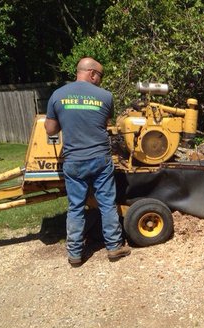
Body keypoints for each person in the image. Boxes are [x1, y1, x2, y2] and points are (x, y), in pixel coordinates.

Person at [45, 57, 131, 266]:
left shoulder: (58, 95)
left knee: (75, 207)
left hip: (74, 160)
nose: (100, 80)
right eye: (100, 76)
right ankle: (113, 248)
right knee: (107, 204)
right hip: (100, 159)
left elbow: (50, 129)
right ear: (92, 73)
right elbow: (105, 123)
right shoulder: (105, 96)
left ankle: (75, 254)